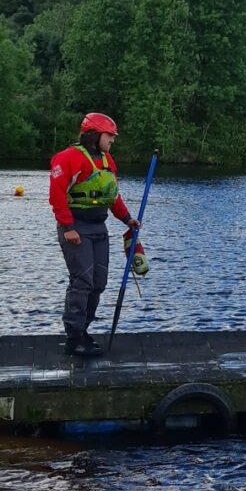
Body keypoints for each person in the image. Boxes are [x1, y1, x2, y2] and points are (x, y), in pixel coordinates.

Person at [48, 113, 141, 355]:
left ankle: (84, 331)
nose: (112, 140)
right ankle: (73, 336)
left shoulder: (108, 161)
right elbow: (57, 195)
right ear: (95, 134)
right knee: (82, 282)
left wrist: (127, 218)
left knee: (98, 283)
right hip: (76, 228)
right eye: (110, 135)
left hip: (99, 228)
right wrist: (68, 228)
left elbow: (113, 196)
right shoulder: (68, 158)